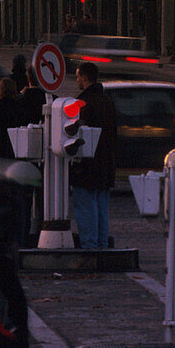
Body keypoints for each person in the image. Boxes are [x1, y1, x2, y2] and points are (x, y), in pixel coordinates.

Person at [69, 62, 118, 249]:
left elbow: (76, 133)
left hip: (87, 165)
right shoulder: (108, 101)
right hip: (105, 164)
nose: (77, 80)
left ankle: (89, 247)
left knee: (86, 208)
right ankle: (102, 246)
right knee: (101, 208)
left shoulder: (82, 103)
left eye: (78, 76)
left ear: (85, 77)